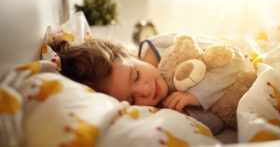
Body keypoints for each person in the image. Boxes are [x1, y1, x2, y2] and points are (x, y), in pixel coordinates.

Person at [49, 33, 244, 134]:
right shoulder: (159, 108)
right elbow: (218, 121)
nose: (146, 90)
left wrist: (197, 95)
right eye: (132, 99)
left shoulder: (163, 46)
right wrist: (188, 112)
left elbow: (234, 56)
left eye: (135, 75)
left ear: (130, 54)